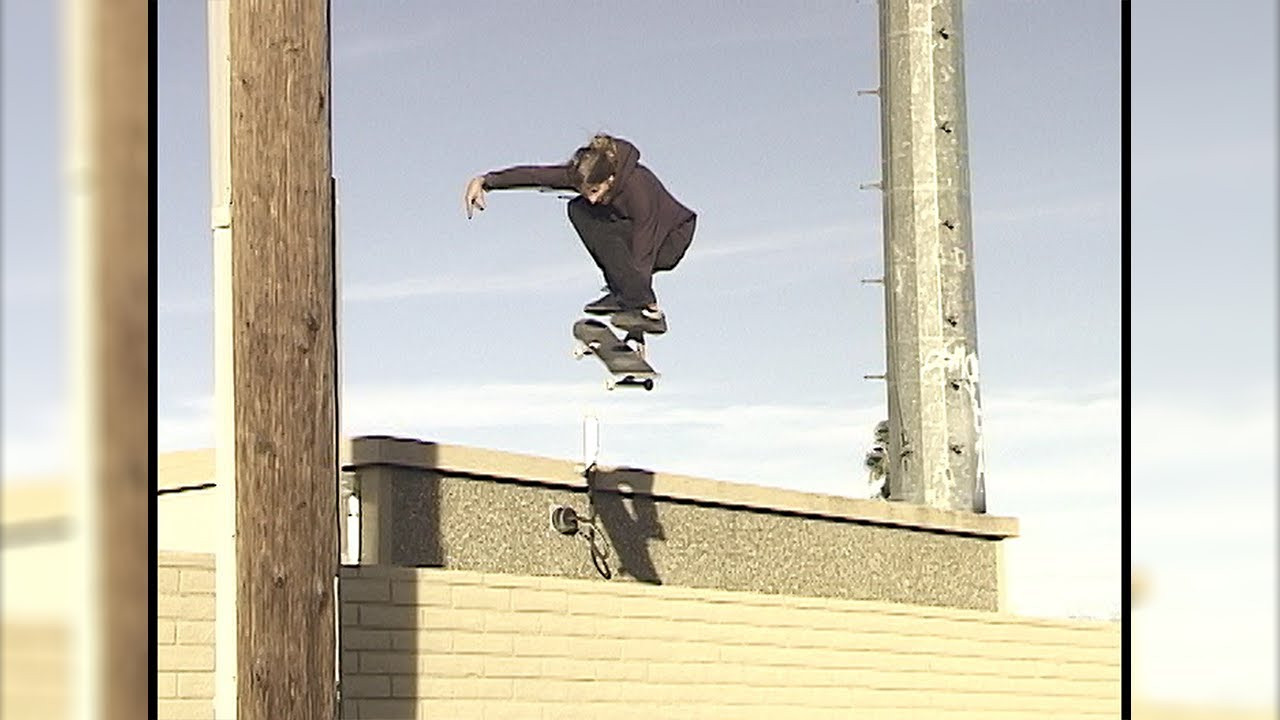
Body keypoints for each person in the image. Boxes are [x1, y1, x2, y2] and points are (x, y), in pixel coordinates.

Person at [464, 134, 696, 334]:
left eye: (595, 191)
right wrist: (486, 181)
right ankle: (628, 294)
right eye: (586, 191)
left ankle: (646, 307)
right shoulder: (583, 174)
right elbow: (536, 176)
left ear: (611, 179)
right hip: (631, 231)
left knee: (631, 265)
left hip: (671, 238)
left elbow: (643, 247)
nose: (592, 198)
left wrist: (640, 306)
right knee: (579, 208)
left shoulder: (638, 190)